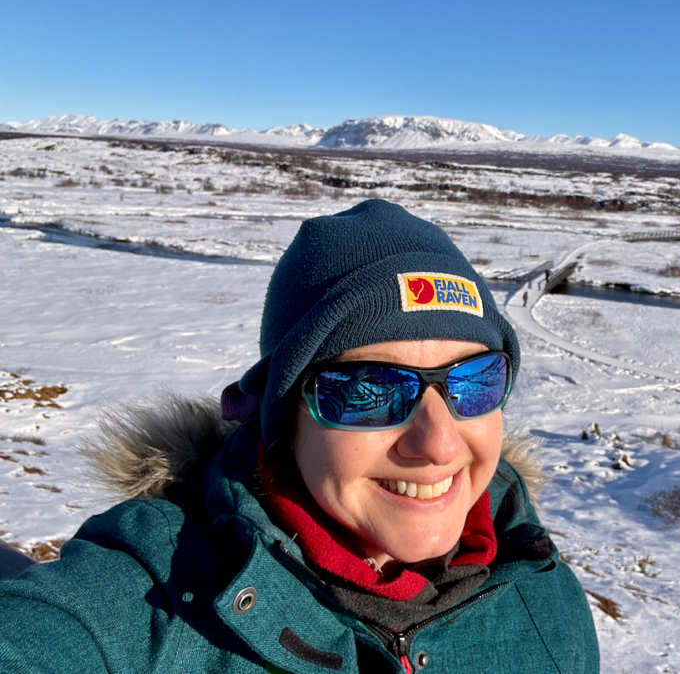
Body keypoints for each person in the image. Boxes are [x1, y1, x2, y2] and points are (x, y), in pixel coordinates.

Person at [0, 200, 600, 674]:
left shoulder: (540, 586)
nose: (439, 444)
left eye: (474, 381)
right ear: (284, 421)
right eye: (369, 390)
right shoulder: (154, 599)